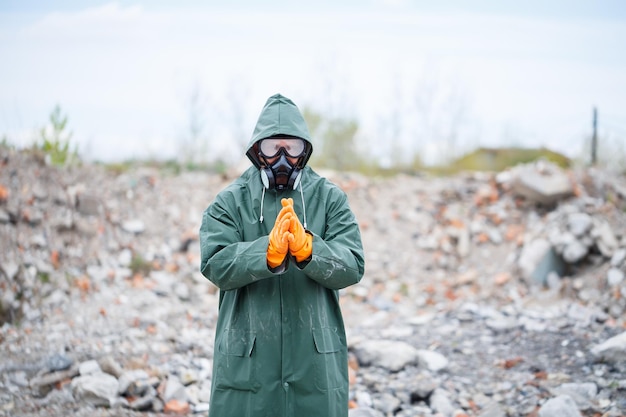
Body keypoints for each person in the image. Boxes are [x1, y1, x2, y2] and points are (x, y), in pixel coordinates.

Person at [199, 93, 365, 417]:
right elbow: (213, 262)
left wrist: (310, 251)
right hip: (248, 364)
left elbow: (353, 264)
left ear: (305, 150)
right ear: (257, 151)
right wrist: (265, 253)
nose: (283, 158)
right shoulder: (229, 202)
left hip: (313, 363)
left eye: (292, 148)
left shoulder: (330, 199)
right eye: (273, 148)